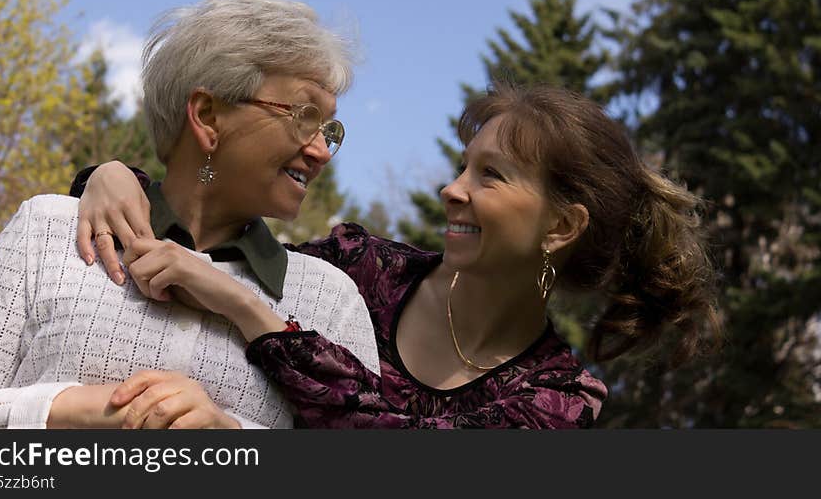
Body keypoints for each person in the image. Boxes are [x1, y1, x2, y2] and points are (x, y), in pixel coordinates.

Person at [72, 82, 722, 428]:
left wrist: (249, 311)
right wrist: (119, 178)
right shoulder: (362, 267)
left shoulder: (557, 398)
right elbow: (213, 254)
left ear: (560, 226)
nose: (452, 189)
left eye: (490, 176)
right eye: (463, 166)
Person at [0, 0, 379, 429]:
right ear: (208, 116)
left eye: (329, 128)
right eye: (304, 115)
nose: (322, 151)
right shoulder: (49, 229)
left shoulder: (331, 299)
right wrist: (73, 411)